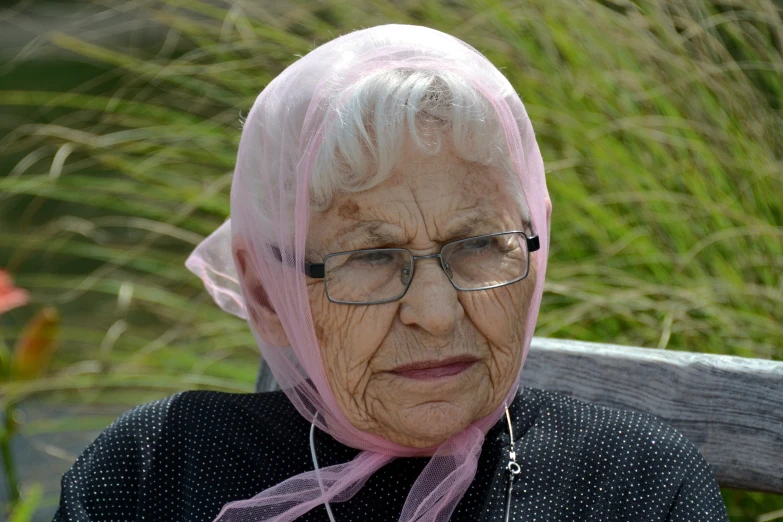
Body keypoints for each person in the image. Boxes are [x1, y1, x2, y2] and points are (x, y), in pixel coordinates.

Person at [53, 24, 728, 522]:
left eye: (476, 244)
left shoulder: (638, 484)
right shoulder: (153, 469)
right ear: (265, 293)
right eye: (372, 258)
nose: (434, 314)